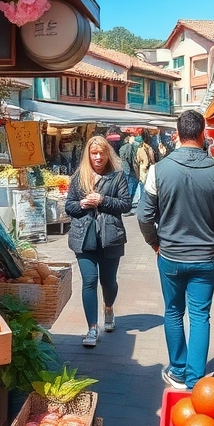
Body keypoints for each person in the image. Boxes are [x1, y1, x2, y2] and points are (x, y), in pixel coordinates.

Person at [138, 110, 214, 390]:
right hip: (206, 258)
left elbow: (144, 216)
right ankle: (195, 379)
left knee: (172, 312)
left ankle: (178, 370)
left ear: (178, 134)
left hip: (169, 256)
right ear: (203, 133)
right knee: (200, 316)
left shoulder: (159, 170)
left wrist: (155, 243)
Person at [64, 136, 131, 347]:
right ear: (88, 155)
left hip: (110, 238)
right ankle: (92, 328)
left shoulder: (117, 176)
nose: (98, 157)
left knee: (108, 282)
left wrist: (102, 200)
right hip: (84, 238)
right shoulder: (78, 178)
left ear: (107, 154)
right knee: (89, 280)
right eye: (94, 153)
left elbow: (125, 204)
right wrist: (83, 203)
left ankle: (108, 307)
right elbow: (69, 207)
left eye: (102, 153)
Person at [117, 134, 138, 208]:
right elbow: (130, 158)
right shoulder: (129, 146)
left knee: (126, 185)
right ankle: (129, 203)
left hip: (125, 168)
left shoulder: (122, 147)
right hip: (129, 169)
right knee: (131, 185)